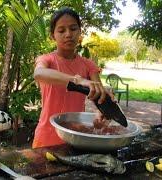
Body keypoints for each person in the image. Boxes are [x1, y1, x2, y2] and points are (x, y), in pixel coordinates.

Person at [32, 7, 114, 148]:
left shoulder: (88, 65)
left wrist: (100, 114)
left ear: (80, 32)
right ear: (53, 36)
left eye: (73, 28)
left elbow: (99, 96)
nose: (68, 34)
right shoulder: (47, 60)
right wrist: (79, 80)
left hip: (76, 137)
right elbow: (39, 73)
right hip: (46, 137)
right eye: (61, 30)